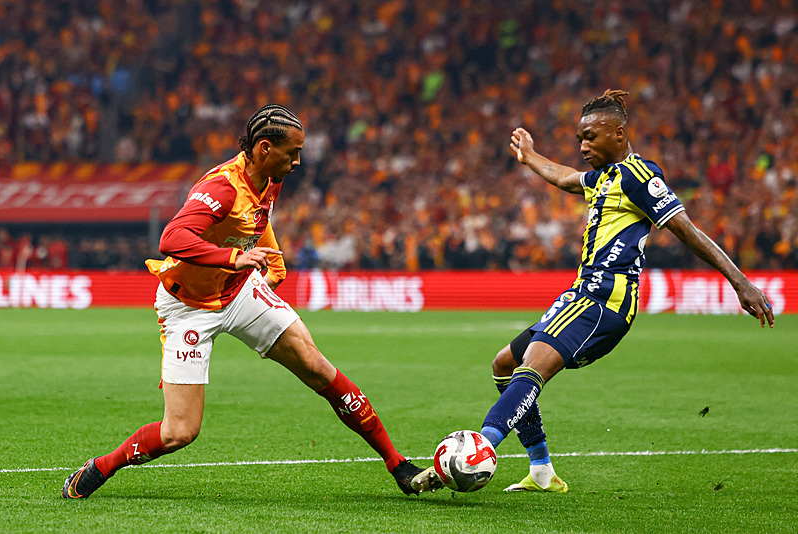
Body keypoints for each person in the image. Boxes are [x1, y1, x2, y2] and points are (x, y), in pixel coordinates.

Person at [412, 89, 775, 494]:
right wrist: (530, 156)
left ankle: (477, 451)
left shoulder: (639, 176)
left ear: (619, 134)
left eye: (591, 137)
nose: (583, 146)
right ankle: (541, 471)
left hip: (603, 298)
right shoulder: (604, 177)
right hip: (582, 295)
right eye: (579, 139)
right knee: (504, 364)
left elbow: (685, 230)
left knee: (533, 365)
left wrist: (740, 281)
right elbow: (563, 176)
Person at [62, 104, 428, 499]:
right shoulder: (221, 187)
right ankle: (103, 465)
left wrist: (271, 257)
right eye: (292, 153)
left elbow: (258, 218)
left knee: (317, 367)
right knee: (179, 432)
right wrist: (233, 257)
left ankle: (397, 464)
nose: (298, 162)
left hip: (239, 291)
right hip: (188, 307)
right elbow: (172, 238)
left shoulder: (271, 178)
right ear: (265, 148)